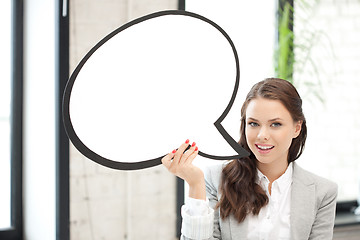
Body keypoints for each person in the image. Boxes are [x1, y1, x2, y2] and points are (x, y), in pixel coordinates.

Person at [162, 78, 338, 240]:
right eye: (253, 123)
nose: (262, 135)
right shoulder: (215, 179)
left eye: (275, 124)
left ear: (296, 128)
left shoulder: (322, 193)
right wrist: (195, 185)